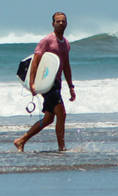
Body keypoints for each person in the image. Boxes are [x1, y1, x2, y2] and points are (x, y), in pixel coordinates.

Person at [14, 11, 76, 152]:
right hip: (48, 83)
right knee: (61, 113)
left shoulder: (66, 43)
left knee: (48, 119)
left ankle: (21, 140)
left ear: (66, 23)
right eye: (58, 21)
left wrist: (71, 86)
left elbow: (66, 65)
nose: (61, 23)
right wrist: (32, 83)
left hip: (57, 83)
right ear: (53, 24)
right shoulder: (47, 40)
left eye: (63, 21)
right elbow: (36, 61)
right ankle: (62, 147)